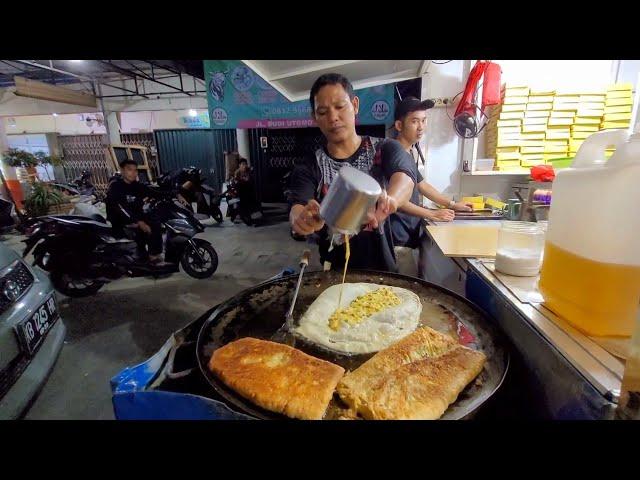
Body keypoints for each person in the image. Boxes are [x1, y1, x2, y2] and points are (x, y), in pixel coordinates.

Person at [288, 73, 416, 272]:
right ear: (315, 118)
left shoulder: (385, 148)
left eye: (340, 107)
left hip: (383, 272)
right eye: (323, 112)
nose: (333, 118)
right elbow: (298, 207)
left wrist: (391, 199)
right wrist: (301, 221)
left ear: (355, 105)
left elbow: (405, 179)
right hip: (333, 273)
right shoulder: (310, 165)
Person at [389, 96, 473, 278]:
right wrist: (432, 214)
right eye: (414, 121)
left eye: (424, 121)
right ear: (398, 125)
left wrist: (451, 204)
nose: (421, 127)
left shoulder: (407, 152)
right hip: (397, 240)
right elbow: (396, 201)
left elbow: (422, 185)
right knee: (404, 293)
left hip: (406, 238)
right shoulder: (394, 153)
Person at [105, 159, 165, 264]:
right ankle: (151, 256)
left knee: (155, 220)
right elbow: (121, 209)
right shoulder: (115, 187)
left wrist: (176, 193)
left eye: (135, 170)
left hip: (134, 218)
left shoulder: (136, 186)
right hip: (120, 221)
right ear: (122, 171)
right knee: (149, 226)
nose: (133, 173)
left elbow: (155, 192)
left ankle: (148, 252)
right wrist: (138, 222)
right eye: (130, 170)